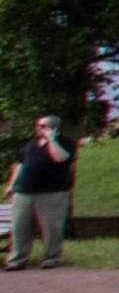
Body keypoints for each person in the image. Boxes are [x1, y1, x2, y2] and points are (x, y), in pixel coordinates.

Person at [6, 115, 76, 269]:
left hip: (52, 193)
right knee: (19, 228)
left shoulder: (66, 143)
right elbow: (21, 164)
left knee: (51, 228)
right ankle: (17, 260)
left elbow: (60, 158)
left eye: (42, 126)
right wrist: (12, 184)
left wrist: (51, 140)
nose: (37, 129)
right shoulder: (31, 144)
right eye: (38, 126)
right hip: (24, 192)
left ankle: (50, 258)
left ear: (54, 127)